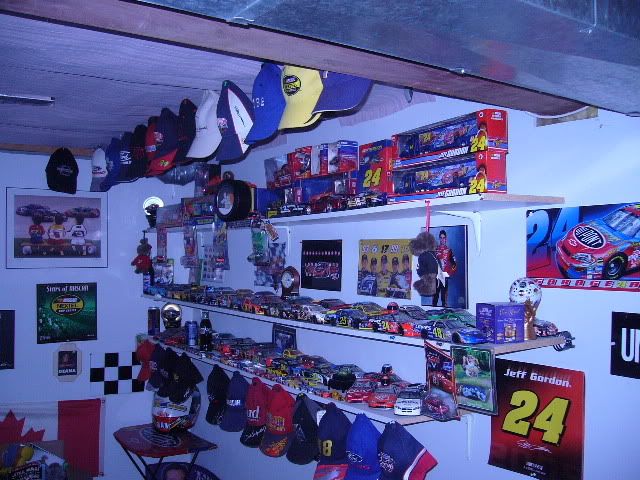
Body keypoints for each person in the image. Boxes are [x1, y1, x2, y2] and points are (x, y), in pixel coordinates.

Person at [433, 229, 457, 307]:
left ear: (446, 239)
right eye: (441, 237)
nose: (442, 239)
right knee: (435, 298)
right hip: (436, 277)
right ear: (439, 238)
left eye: (444, 238)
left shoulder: (449, 251)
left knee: (444, 299)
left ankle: (444, 311)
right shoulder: (435, 250)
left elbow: (454, 264)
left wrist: (449, 274)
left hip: (444, 277)